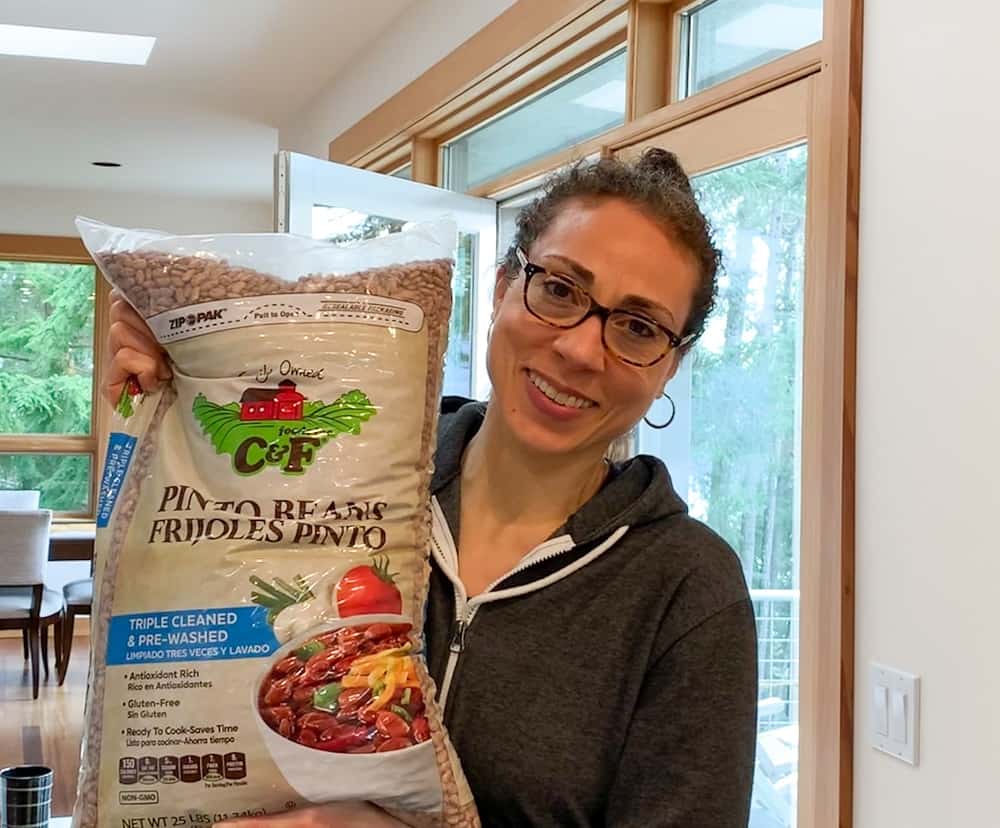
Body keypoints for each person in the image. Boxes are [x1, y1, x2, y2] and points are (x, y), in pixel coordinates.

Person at [105, 149, 758, 827]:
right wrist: (171, 394)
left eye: (638, 327)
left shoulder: (687, 589)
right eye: (560, 289)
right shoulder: (349, 471)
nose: (580, 350)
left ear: (670, 365)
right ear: (504, 286)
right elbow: (191, 572)